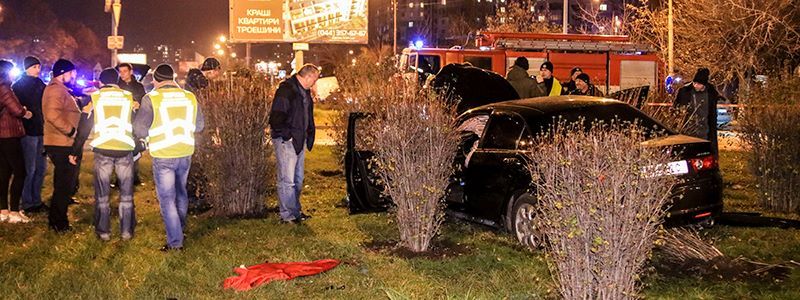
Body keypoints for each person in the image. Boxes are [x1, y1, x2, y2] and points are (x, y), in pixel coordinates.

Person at [133, 64, 204, 251]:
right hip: (185, 151)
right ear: (172, 79)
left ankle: (175, 243)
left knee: (167, 199)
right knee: (181, 193)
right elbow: (199, 125)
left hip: (164, 154)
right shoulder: (189, 96)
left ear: (156, 80)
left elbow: (140, 129)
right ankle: (179, 230)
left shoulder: (151, 98)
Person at [74, 68, 139, 241]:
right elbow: (136, 120)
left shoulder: (94, 98)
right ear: (117, 81)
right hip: (124, 148)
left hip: (103, 149)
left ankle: (103, 232)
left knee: (102, 195)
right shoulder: (128, 97)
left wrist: (76, 148)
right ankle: (126, 232)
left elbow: (85, 125)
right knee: (126, 194)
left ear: (101, 82)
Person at [269, 64, 319, 224]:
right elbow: (276, 117)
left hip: (299, 140)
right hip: (287, 141)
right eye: (315, 79)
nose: (315, 83)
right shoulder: (287, 90)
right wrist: (287, 136)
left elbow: (307, 116)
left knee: (297, 179)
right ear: (309, 76)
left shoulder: (304, 92)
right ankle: (287, 215)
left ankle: (295, 211)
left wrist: (308, 134)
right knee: (287, 180)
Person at [42, 59, 82, 233]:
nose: (73, 76)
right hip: (61, 142)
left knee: (64, 184)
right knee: (64, 185)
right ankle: (59, 223)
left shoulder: (60, 89)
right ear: (63, 73)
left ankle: (57, 219)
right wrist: (71, 131)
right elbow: (51, 114)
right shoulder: (56, 90)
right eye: (72, 73)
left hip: (61, 142)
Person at [11, 56, 48, 213]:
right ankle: (27, 202)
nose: (37, 70)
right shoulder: (19, 85)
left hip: (40, 129)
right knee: (30, 168)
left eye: (39, 67)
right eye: (34, 67)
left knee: (40, 168)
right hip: (28, 131)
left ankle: (36, 200)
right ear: (26, 68)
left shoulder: (40, 83)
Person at [185, 58, 220, 214]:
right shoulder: (200, 83)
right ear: (213, 70)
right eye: (217, 72)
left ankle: (194, 198)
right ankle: (196, 199)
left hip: (195, 129)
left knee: (196, 164)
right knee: (198, 165)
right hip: (198, 130)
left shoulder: (193, 83)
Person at [0, 60, 34, 223]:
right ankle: (14, 211)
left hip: (1, 136)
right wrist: (26, 111)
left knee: (4, 172)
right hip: (9, 135)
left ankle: (3, 210)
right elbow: (16, 110)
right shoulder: (4, 88)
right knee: (20, 172)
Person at [674, 67, 720, 156]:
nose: (695, 85)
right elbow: (676, 108)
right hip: (687, 132)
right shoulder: (685, 91)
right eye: (694, 83)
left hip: (704, 132)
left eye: (698, 84)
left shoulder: (711, 93)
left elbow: (712, 115)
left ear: (704, 84)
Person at [117, 62, 146, 186]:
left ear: (131, 72)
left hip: (134, 120)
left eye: (125, 71)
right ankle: (119, 180)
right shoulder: (117, 86)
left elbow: (144, 100)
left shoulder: (138, 86)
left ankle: (134, 178)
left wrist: (138, 103)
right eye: (121, 71)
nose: (122, 74)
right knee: (121, 151)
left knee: (135, 150)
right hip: (121, 121)